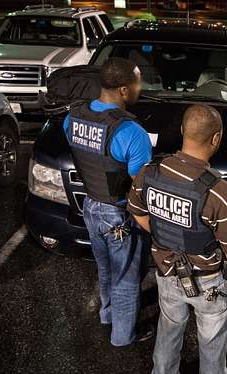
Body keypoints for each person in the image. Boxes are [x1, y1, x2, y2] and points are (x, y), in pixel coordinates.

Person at [128, 104, 227, 374]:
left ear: (183, 131)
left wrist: (166, 239)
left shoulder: (149, 173)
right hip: (209, 281)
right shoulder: (219, 191)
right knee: (211, 340)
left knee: (169, 328)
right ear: (216, 138)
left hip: (166, 271)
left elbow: (138, 213)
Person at [63, 57, 154, 347]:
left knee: (105, 269)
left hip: (90, 206)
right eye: (138, 83)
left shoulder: (73, 117)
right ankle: (123, 337)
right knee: (126, 278)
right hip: (118, 214)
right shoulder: (132, 132)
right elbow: (139, 185)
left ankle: (108, 315)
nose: (141, 88)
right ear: (124, 90)